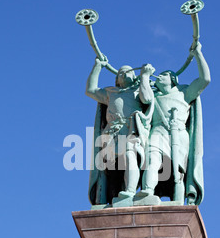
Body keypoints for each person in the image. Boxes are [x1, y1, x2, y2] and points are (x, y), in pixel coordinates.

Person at [139, 42, 211, 205]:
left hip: (178, 135)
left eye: (163, 75)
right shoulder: (155, 96)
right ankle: (147, 192)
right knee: (152, 160)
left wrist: (198, 54)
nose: (159, 77)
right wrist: (144, 76)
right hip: (157, 132)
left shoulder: (184, 92)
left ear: (172, 79)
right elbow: (145, 98)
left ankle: (178, 200)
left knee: (177, 172)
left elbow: (205, 79)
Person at [86, 57, 154, 205]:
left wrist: (144, 76)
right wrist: (97, 66)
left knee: (130, 155)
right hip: (112, 133)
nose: (123, 75)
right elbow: (91, 90)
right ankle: (111, 198)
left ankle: (130, 191)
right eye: (120, 73)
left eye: (127, 72)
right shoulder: (111, 92)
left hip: (132, 130)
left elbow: (148, 99)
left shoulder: (138, 89)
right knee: (111, 170)